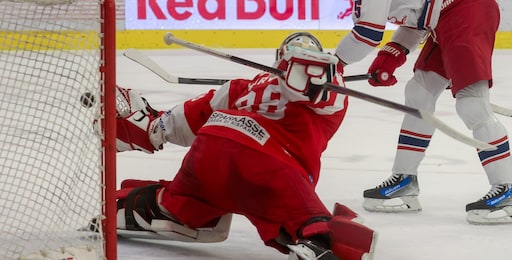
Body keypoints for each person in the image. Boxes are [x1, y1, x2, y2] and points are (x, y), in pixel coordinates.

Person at [322, 0, 512, 225]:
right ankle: (405, 181)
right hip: (446, 13)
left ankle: (508, 190)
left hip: (464, 7)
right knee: (419, 92)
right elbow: (418, 12)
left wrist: (334, 65)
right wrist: (393, 54)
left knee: (472, 103)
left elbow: (367, 32)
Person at [113, 32, 377, 260]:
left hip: (208, 153)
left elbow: (170, 126)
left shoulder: (240, 87)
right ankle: (318, 241)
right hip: (267, 167)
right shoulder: (333, 90)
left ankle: (120, 206)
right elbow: (327, 87)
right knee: (307, 219)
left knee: (182, 202)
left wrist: (143, 126)